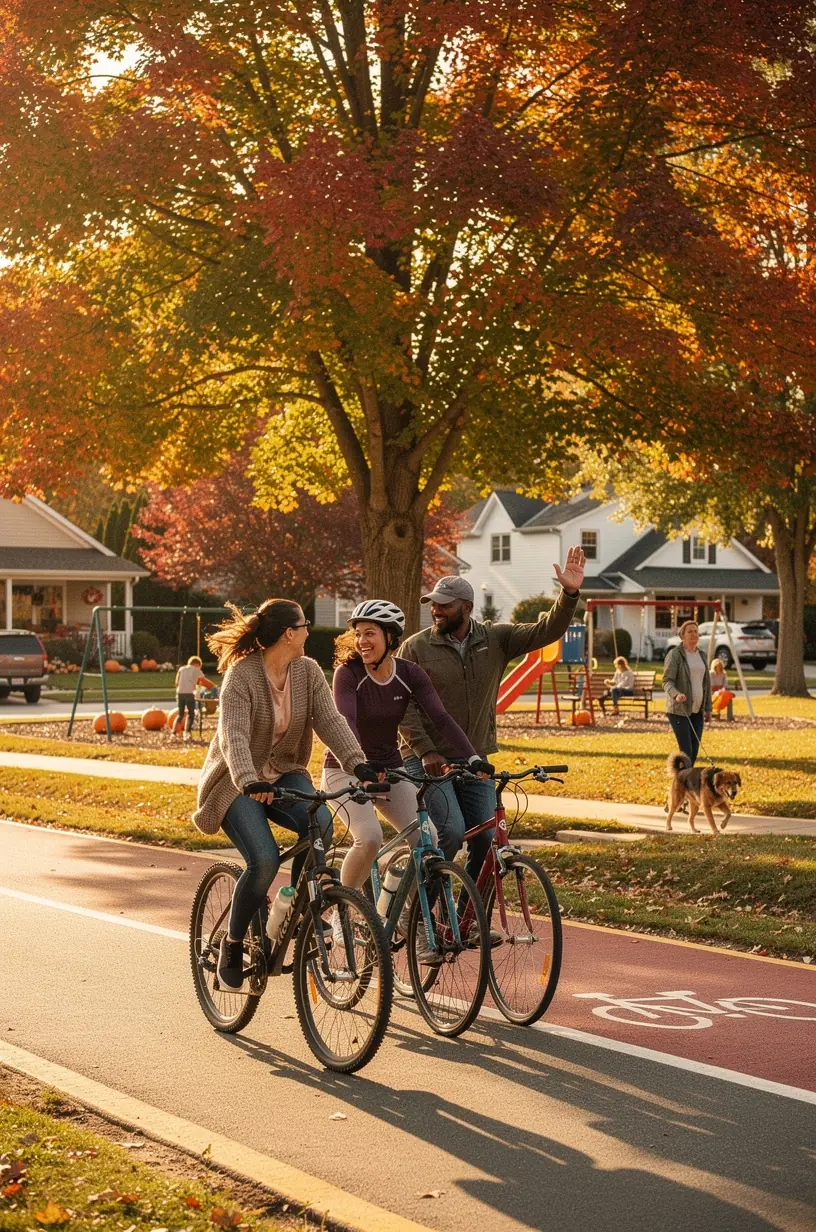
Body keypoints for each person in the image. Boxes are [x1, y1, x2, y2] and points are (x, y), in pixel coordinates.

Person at [193, 599, 378, 992]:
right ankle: (233, 943)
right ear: (289, 634)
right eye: (305, 624)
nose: (310, 631)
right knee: (262, 860)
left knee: (321, 828)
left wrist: (357, 763)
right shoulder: (241, 676)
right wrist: (248, 779)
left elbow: (329, 719)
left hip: (285, 774)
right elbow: (234, 735)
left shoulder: (307, 671)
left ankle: (298, 911)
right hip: (236, 782)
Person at [397, 547, 586, 887]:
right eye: (434, 604)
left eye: (444, 604)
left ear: (466, 608)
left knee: (487, 840)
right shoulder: (415, 647)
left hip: (473, 756)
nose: (436, 611)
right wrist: (425, 750)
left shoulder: (496, 639)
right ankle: (430, 920)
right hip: (426, 757)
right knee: (449, 833)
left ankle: (468, 919)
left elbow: (547, 631)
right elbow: (402, 705)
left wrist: (568, 594)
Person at [321, 600, 492, 958]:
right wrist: (359, 768)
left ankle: (406, 917)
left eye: (370, 633)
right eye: (358, 634)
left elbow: (442, 719)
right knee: (369, 837)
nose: (362, 641)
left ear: (390, 637)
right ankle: (341, 909)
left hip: (390, 768)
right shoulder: (348, 674)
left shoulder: (409, 674)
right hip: (343, 769)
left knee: (427, 839)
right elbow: (346, 724)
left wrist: (474, 758)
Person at [662, 620, 712, 764]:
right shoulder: (675, 655)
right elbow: (666, 681)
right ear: (682, 635)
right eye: (689, 631)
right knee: (687, 752)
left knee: (694, 752)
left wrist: (708, 709)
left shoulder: (701, 655)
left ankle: (683, 782)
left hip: (697, 710)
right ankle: (683, 785)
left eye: (695, 631)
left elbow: (706, 684)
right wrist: (676, 694)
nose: (693, 634)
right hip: (679, 710)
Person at [174, 655, 215, 742]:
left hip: (180, 693)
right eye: (200, 666)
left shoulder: (182, 669)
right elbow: (204, 681)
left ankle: (174, 733)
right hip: (189, 693)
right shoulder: (196, 670)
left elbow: (177, 681)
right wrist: (213, 687)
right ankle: (187, 732)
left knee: (180, 714)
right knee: (191, 714)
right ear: (197, 664)